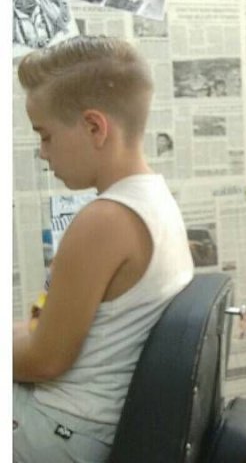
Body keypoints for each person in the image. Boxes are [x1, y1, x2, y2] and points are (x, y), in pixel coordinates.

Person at [13, 37, 194, 463]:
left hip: (60, 433)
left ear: (95, 127)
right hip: (87, 426)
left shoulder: (105, 220)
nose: (42, 153)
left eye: (45, 136)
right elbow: (45, 329)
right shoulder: (155, 201)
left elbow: (44, 359)